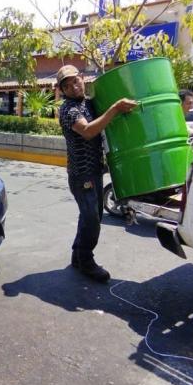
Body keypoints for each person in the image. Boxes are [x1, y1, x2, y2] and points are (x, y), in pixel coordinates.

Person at [57, 65, 138, 283]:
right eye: (67, 86)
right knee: (92, 219)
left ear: (82, 78)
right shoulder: (68, 110)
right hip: (81, 175)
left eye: (75, 81)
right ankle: (86, 261)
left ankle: (78, 256)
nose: (74, 87)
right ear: (63, 91)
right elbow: (88, 131)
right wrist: (115, 108)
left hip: (94, 172)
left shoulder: (88, 103)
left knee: (90, 216)